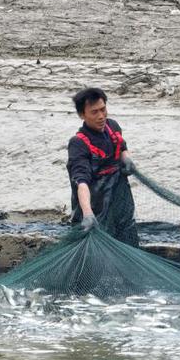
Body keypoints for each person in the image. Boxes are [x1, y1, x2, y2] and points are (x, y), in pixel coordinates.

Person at [66, 88, 138, 246]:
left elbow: (121, 145)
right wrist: (87, 213)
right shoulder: (78, 143)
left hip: (118, 198)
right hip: (94, 203)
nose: (101, 116)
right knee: (91, 246)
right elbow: (81, 181)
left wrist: (126, 158)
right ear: (82, 115)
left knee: (124, 233)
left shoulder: (112, 126)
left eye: (103, 109)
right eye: (94, 112)